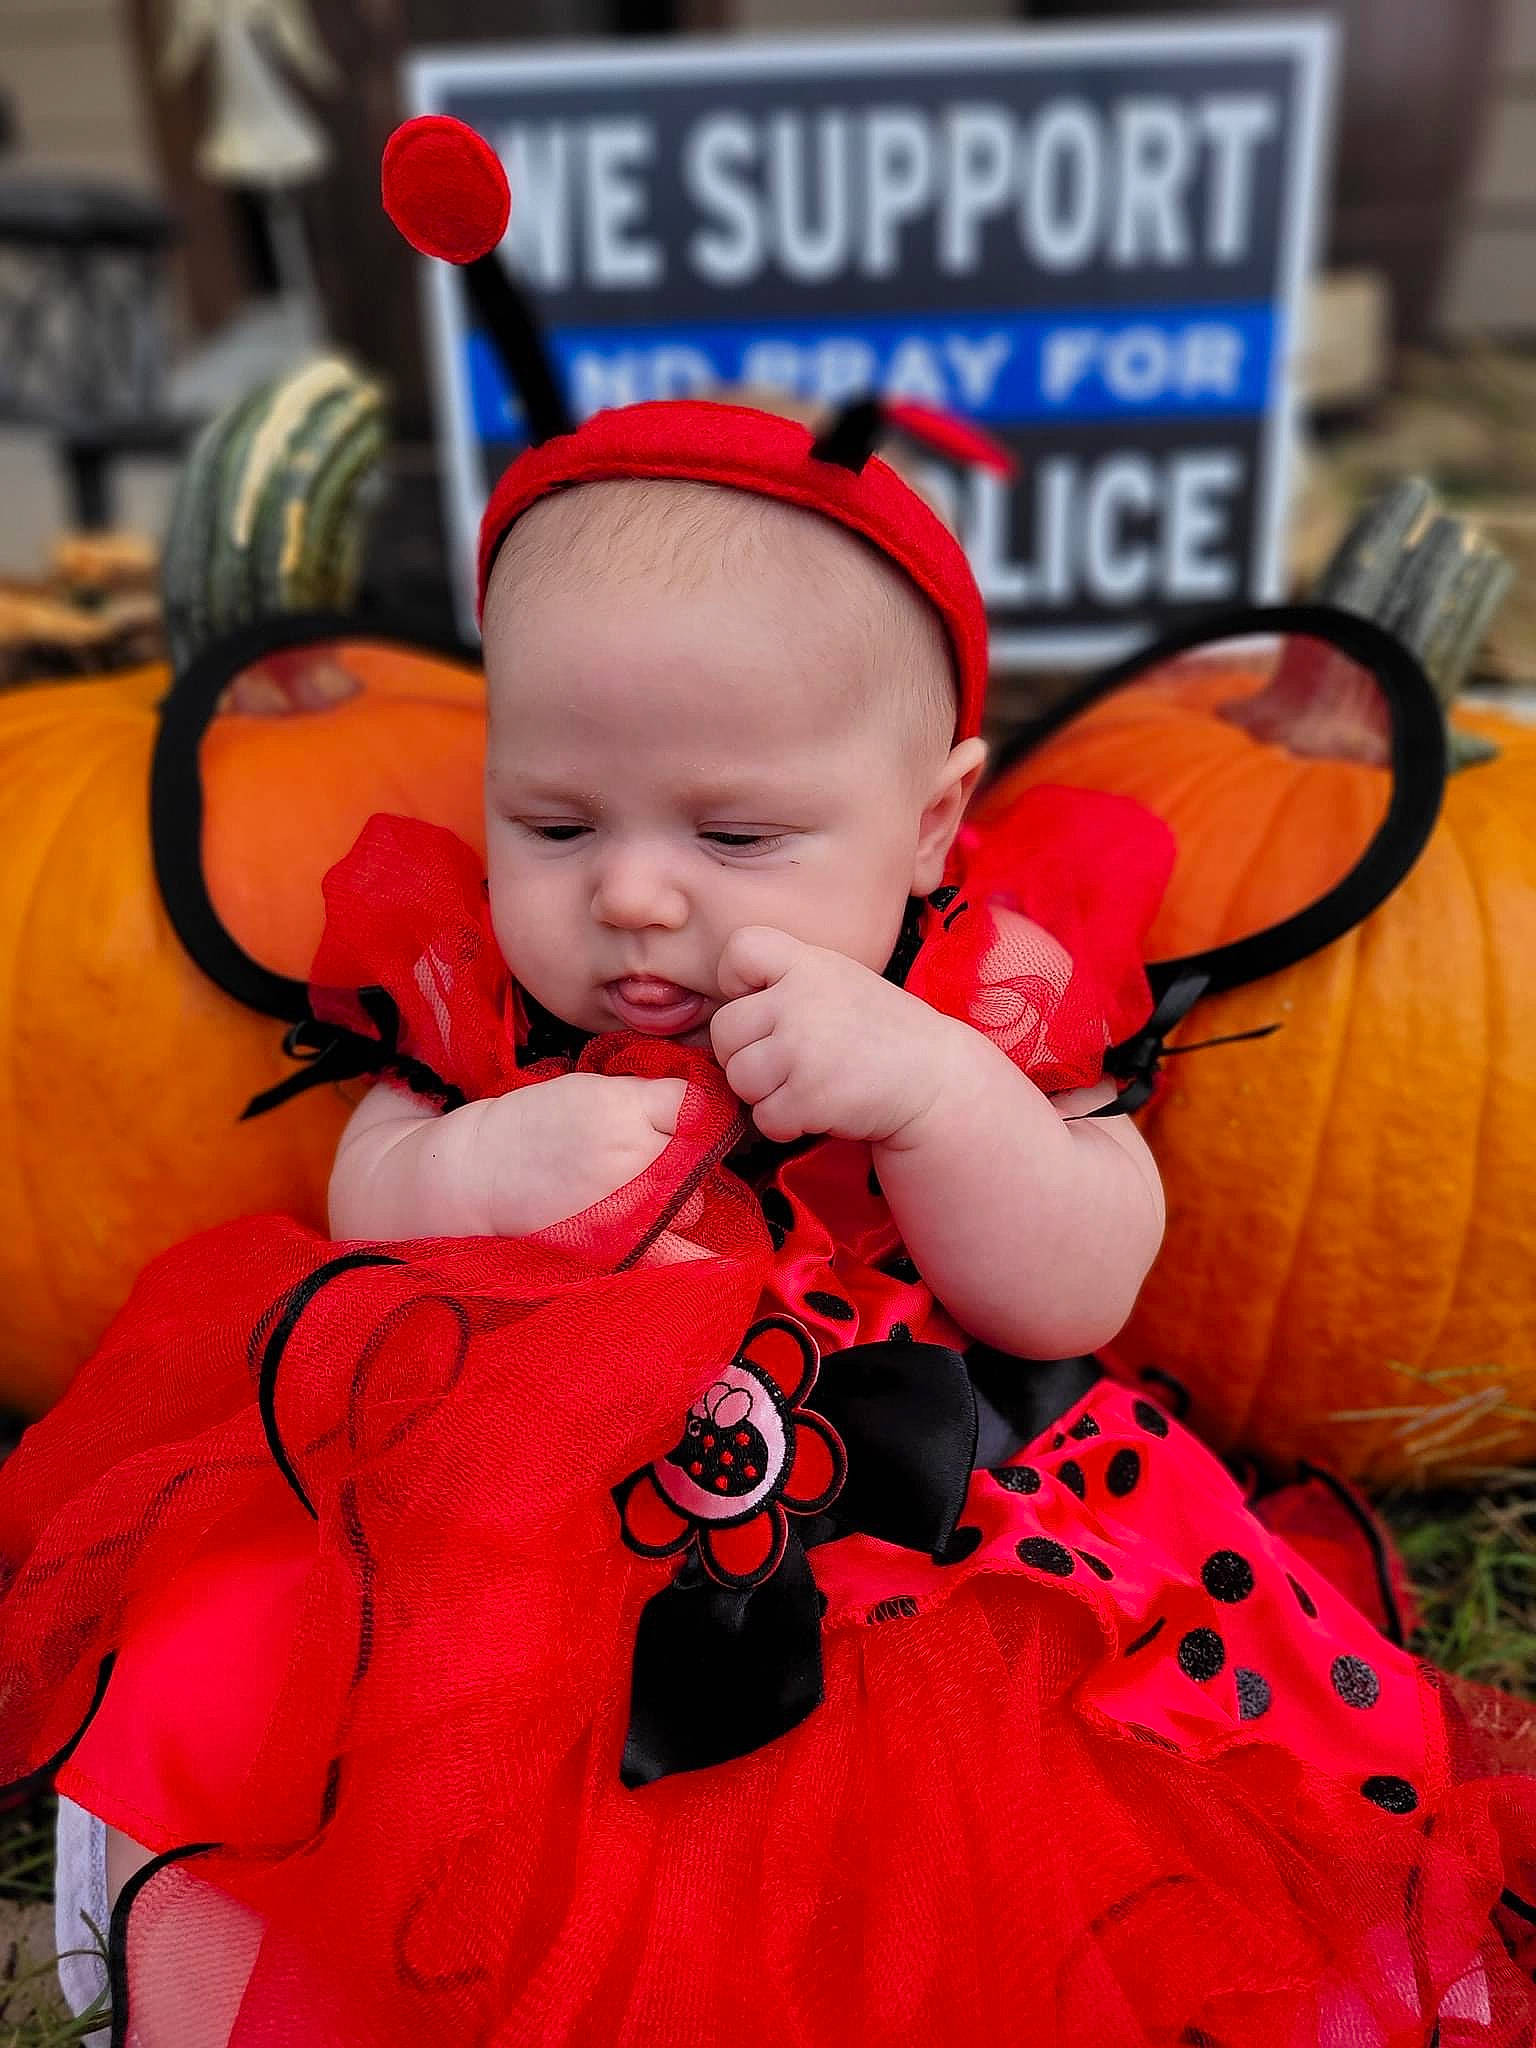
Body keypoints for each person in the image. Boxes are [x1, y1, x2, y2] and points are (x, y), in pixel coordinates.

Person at [8, 118, 1536, 2048]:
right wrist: (481, 1167)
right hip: (505, 1507)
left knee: (947, 1821)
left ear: (930, 826)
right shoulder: (491, 995)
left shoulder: (982, 1003)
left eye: (734, 835)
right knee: (341, 1688)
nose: (630, 891)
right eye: (553, 818)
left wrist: (938, 1102)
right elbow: (361, 1190)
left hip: (907, 1521)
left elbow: (1076, 1287)